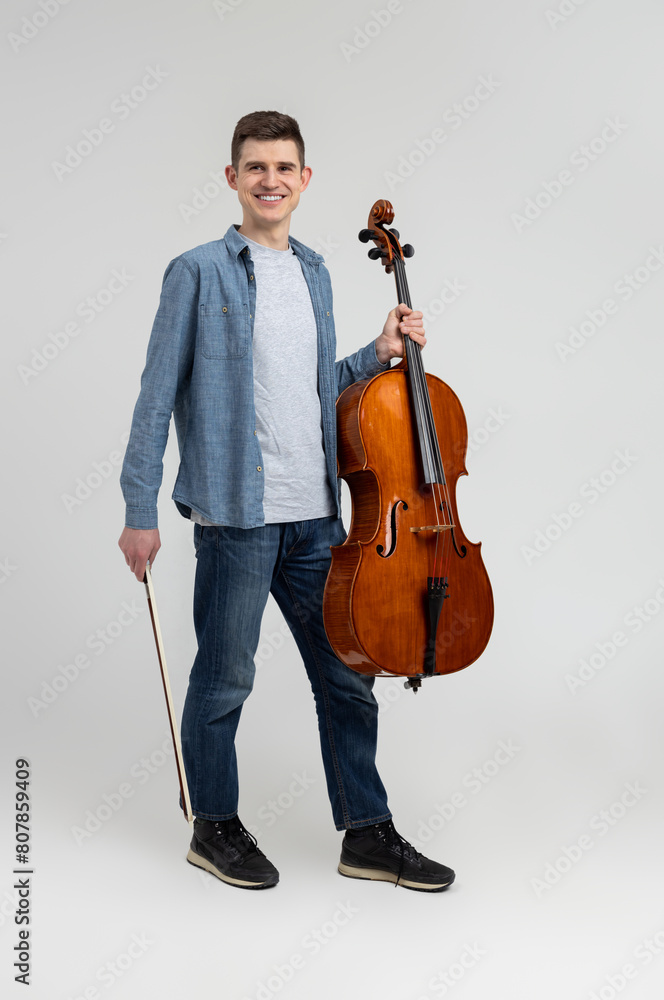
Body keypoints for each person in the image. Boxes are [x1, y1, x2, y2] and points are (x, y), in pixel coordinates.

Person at [118, 111, 454, 893]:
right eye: (254, 166)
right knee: (225, 678)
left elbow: (310, 394)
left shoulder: (314, 271)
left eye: (284, 167)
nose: (270, 179)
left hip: (317, 520)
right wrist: (139, 510)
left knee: (347, 674)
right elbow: (153, 399)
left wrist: (375, 355)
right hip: (236, 518)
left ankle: (366, 833)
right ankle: (215, 825)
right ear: (231, 179)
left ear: (305, 182)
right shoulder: (196, 271)